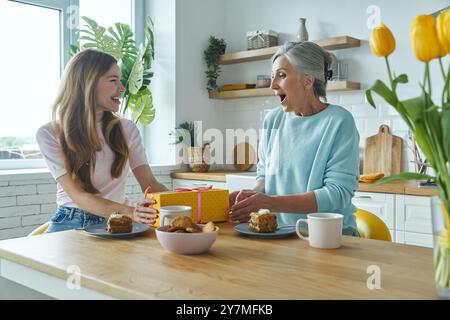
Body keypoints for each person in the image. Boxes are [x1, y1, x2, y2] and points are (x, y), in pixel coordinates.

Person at [229, 41, 360, 236]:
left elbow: (337, 194)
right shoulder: (273, 120)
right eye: (273, 76)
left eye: (281, 75)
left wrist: (270, 202)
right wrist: (252, 196)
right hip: (279, 233)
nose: (273, 85)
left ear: (308, 81)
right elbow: (265, 174)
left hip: (329, 236)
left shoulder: (339, 121)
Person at [36, 49, 168, 233]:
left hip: (119, 222)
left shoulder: (126, 129)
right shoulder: (49, 134)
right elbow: (79, 196)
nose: (122, 88)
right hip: (71, 222)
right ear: (86, 84)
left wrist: (196, 199)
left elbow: (150, 184)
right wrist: (131, 212)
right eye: (113, 80)